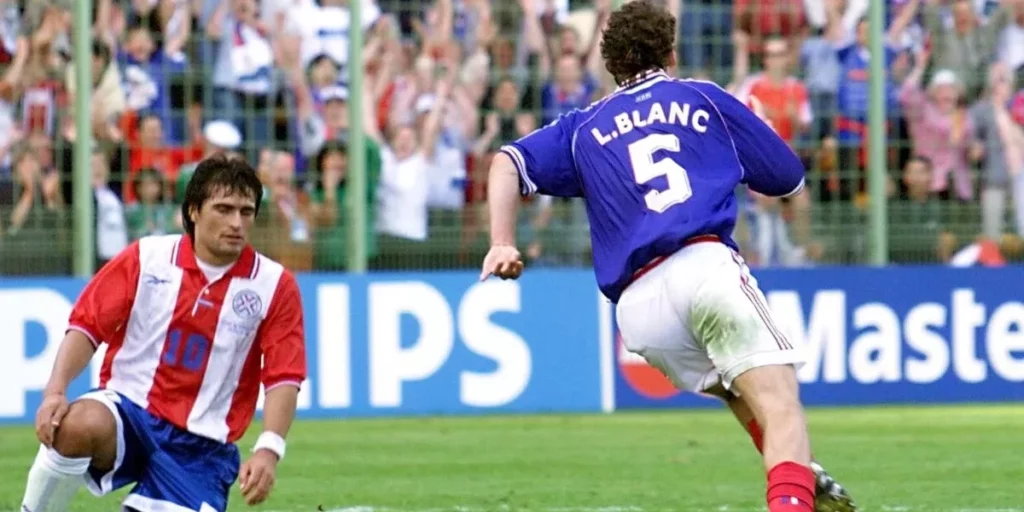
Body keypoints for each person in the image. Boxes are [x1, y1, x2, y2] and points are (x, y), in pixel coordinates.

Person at [479, 2, 856, 512]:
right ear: (672, 52)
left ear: (610, 63)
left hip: (638, 311)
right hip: (702, 266)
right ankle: (793, 490)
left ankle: (796, 477)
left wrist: (502, 240)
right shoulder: (704, 99)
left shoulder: (582, 128)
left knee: (736, 388)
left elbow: (506, 162)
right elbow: (788, 178)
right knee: (782, 403)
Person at [21, 154, 307, 512]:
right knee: (77, 424)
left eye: (245, 211)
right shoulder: (147, 257)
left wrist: (270, 446)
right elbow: (87, 325)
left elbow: (284, 375)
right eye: (224, 209)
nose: (236, 222)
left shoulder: (275, 285)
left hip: (201, 448)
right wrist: (55, 391)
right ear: (193, 211)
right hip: (130, 412)